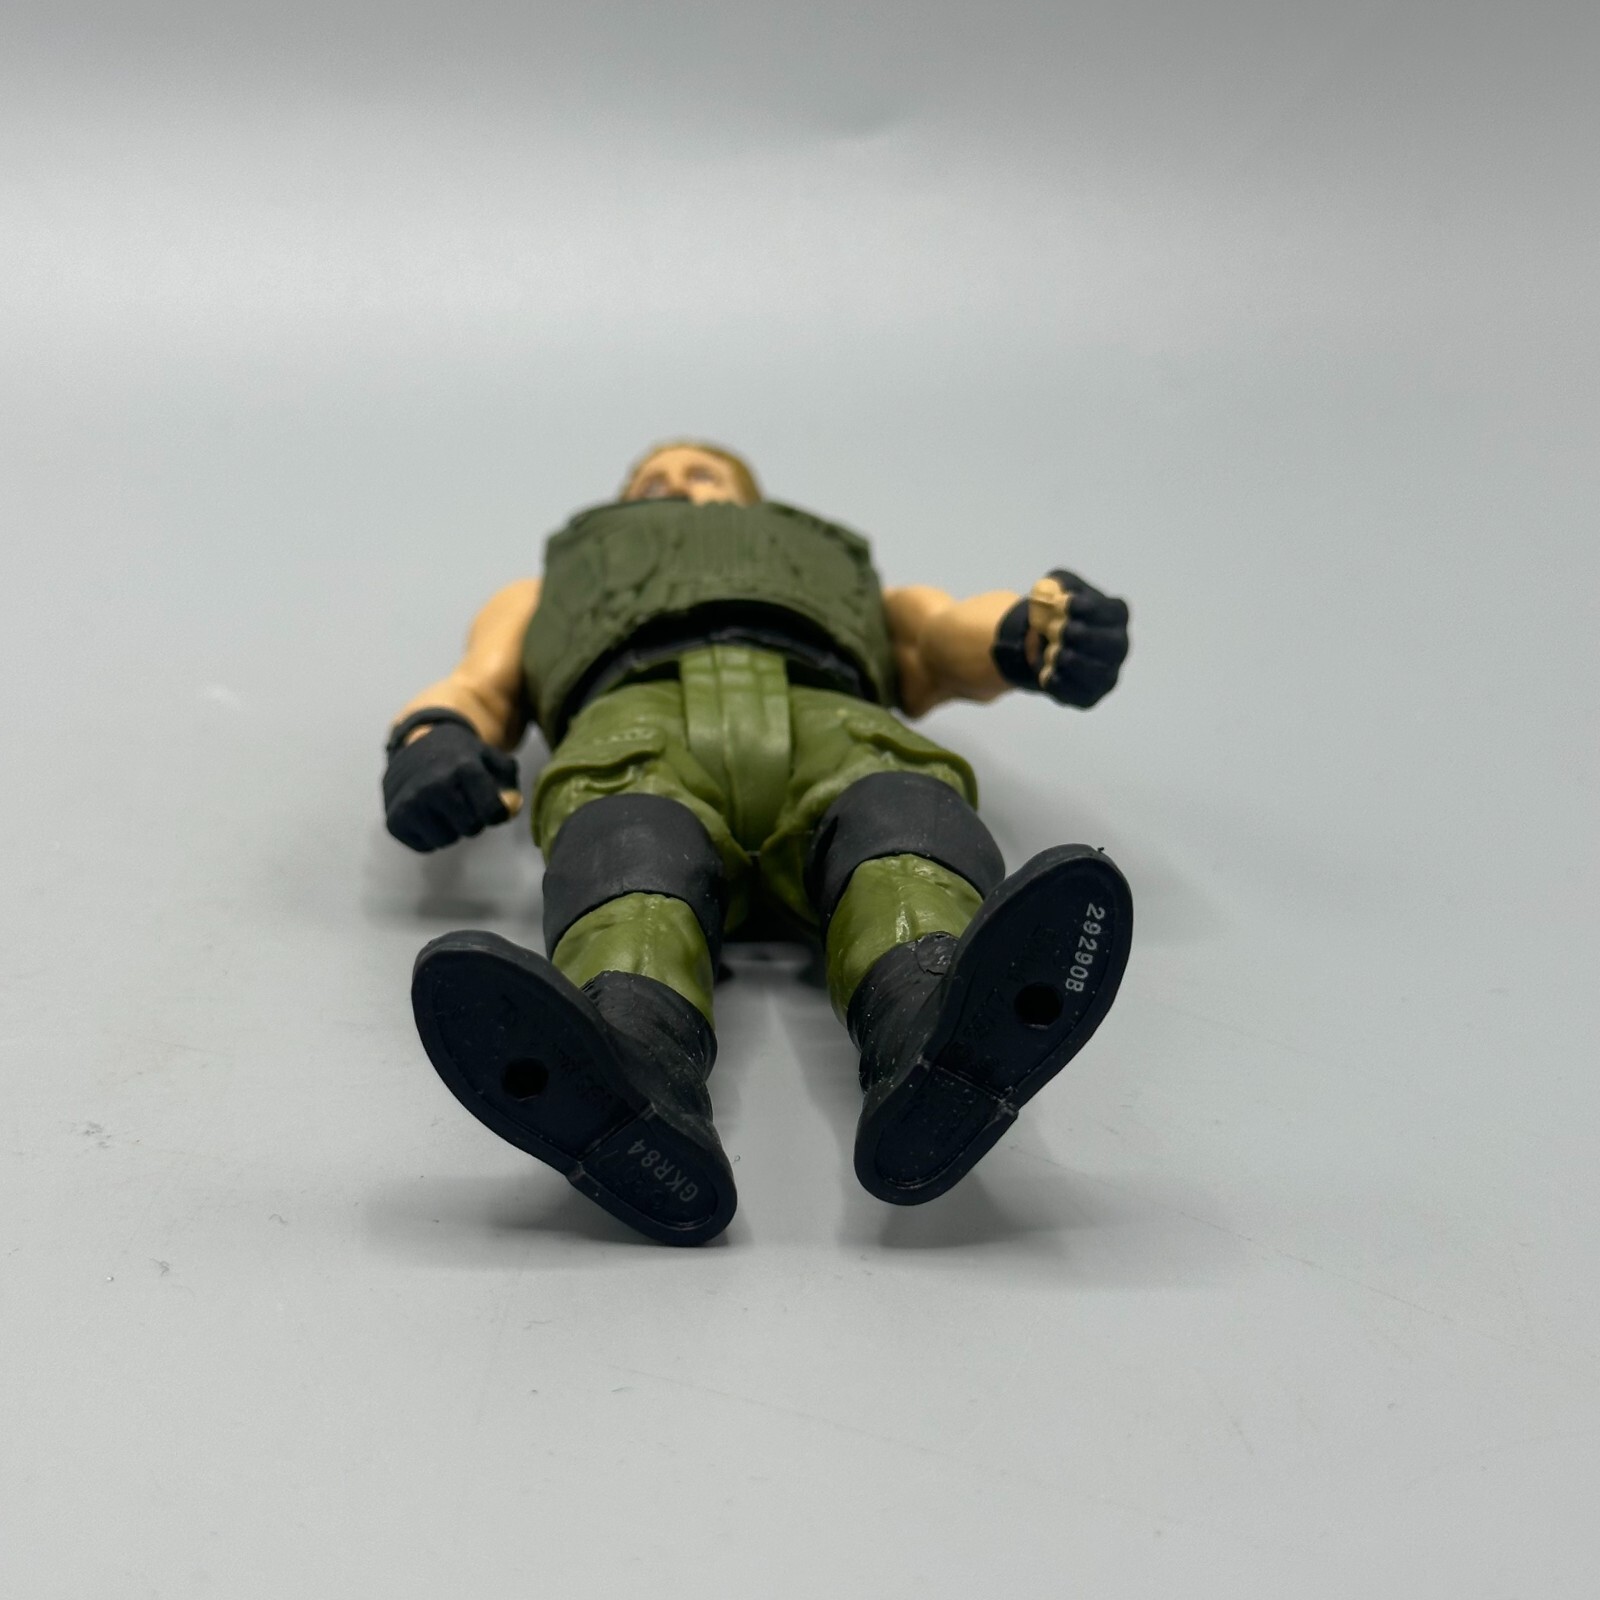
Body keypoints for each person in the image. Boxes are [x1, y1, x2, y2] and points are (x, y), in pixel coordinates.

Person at [382, 442, 1133, 1244]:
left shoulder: (833, 569)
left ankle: (934, 1021)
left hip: (828, 708)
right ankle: (630, 1062)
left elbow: (936, 635)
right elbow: (482, 680)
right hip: (638, 717)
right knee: (628, 846)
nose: (675, 485)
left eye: (702, 472)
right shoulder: (553, 584)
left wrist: (1027, 636)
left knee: (900, 818)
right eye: (651, 480)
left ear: (749, 492)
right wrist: (432, 738)